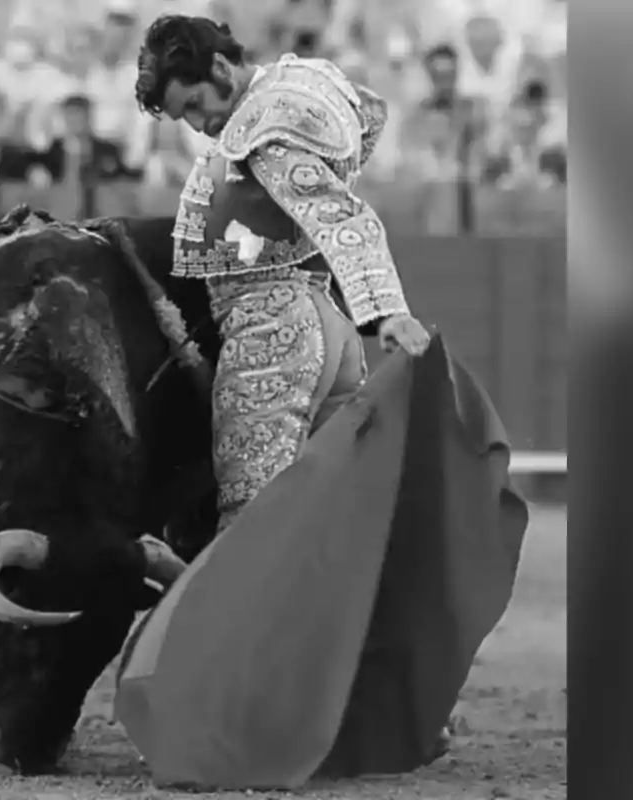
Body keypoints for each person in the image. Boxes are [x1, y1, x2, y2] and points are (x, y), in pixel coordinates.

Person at [133, 15, 432, 532]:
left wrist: (386, 309)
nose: (199, 125)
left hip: (272, 330)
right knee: (329, 517)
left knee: (249, 526)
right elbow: (367, 121)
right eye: (184, 116)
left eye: (196, 105)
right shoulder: (301, 84)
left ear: (222, 66)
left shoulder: (266, 130)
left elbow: (339, 213)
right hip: (324, 326)